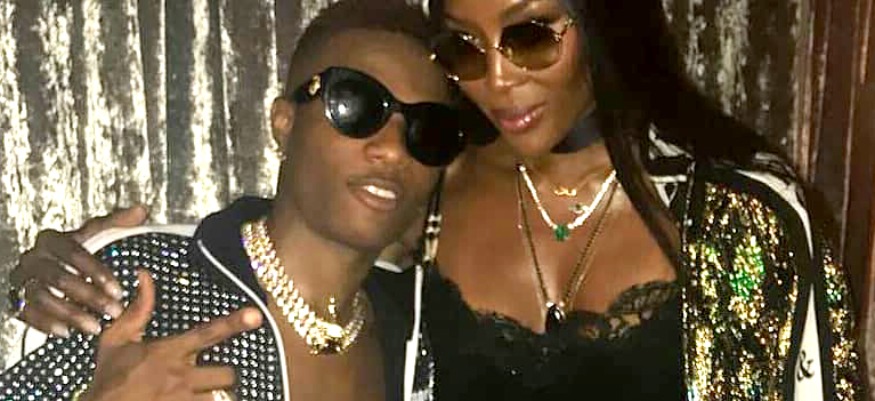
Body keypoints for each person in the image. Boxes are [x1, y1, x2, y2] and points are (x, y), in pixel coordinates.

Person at [7, 0, 865, 400]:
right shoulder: (430, 208)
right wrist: (54, 279)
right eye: (464, 48)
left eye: (528, 35)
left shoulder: (739, 215)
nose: (498, 78)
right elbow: (288, 242)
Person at [0, 0, 465, 400]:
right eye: (356, 105)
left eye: (429, 132)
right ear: (284, 122)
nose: (393, 149)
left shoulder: (416, 337)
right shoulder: (140, 279)